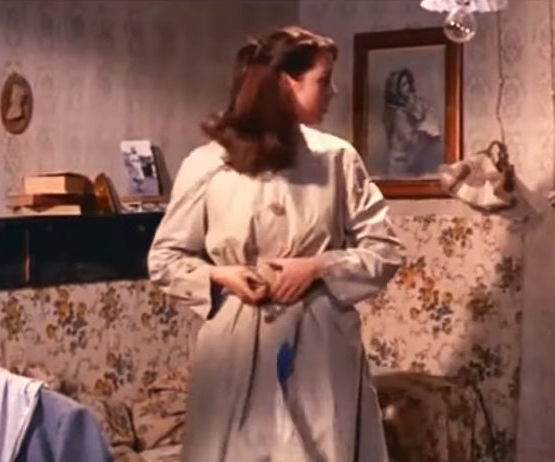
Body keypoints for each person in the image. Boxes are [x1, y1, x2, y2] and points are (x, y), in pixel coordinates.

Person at [147, 26, 404, 462]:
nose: (333, 92)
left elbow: (385, 251)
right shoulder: (210, 163)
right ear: (288, 82)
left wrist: (319, 267)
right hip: (235, 346)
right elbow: (165, 259)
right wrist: (220, 275)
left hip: (319, 344)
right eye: (324, 80)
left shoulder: (337, 159)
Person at [382, 68, 441, 177]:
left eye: (408, 83)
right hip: (399, 162)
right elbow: (404, 136)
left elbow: (430, 123)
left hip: (415, 159)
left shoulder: (417, 104)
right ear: (396, 88)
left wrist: (413, 106)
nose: (407, 88)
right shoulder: (394, 112)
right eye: (403, 85)